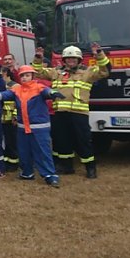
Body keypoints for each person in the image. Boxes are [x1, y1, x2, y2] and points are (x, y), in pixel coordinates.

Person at [32, 43, 110, 179]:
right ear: (64, 60)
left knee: (83, 141)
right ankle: (66, 166)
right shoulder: (56, 72)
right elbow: (37, 72)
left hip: (79, 114)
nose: (71, 61)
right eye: (68, 59)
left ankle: (90, 167)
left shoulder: (88, 72)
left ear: (79, 60)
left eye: (74, 59)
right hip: (60, 113)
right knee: (62, 140)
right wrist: (38, 58)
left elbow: (105, 71)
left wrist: (99, 54)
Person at [0, 66, 65, 187]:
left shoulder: (39, 87)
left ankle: (50, 175)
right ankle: (27, 173)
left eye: (27, 75)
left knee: (43, 152)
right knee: (23, 152)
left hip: (39, 128)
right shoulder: (17, 89)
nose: (24, 78)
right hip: (22, 128)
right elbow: (6, 94)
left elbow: (46, 91)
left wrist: (53, 93)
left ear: (32, 76)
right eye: (22, 76)